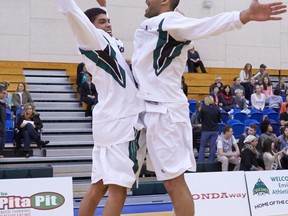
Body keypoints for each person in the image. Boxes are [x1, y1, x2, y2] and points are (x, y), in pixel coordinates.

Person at [132, 0, 286, 215]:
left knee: (174, 183)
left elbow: (208, 24)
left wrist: (243, 15)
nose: (146, 1)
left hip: (165, 111)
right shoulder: (155, 24)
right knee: (165, 183)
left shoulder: (171, 21)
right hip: (147, 109)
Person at [56, 1, 145, 215]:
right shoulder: (92, 39)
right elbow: (71, 11)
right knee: (119, 188)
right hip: (122, 122)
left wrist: (104, 8)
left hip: (107, 120)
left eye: (109, 21)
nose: (108, 24)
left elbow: (107, 33)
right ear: (90, 27)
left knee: (98, 185)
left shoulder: (109, 42)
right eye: (103, 21)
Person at [198, 96, 221, 162]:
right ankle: (211, 161)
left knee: (202, 146)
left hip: (205, 129)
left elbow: (199, 118)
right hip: (214, 129)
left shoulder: (203, 109)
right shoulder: (217, 109)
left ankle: (200, 161)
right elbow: (219, 119)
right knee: (212, 146)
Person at [0, 85, 7, 158]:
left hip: (2, 125)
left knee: (2, 140)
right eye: (3, 93)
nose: (5, 95)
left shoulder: (3, 103)